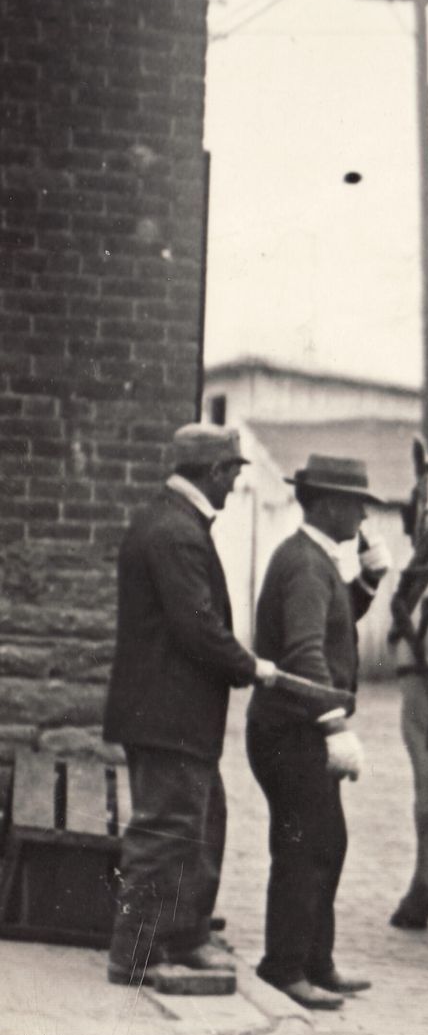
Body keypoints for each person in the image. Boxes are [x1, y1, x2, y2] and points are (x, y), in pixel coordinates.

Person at [101, 424, 282, 990]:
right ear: (215, 472)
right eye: (233, 473)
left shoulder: (173, 522)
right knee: (165, 831)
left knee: (202, 822)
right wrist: (250, 666)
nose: (235, 485)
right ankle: (135, 955)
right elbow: (196, 625)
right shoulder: (176, 531)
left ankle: (184, 937)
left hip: (174, 716)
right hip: (168, 715)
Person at [247, 454, 390, 1010]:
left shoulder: (313, 559)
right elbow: (305, 651)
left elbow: (334, 620)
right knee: (304, 848)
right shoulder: (306, 565)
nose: (363, 517)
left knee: (327, 843)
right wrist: (334, 723)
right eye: (357, 505)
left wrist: (369, 580)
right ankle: (284, 968)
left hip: (295, 728)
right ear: (329, 505)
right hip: (293, 732)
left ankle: (314, 961)